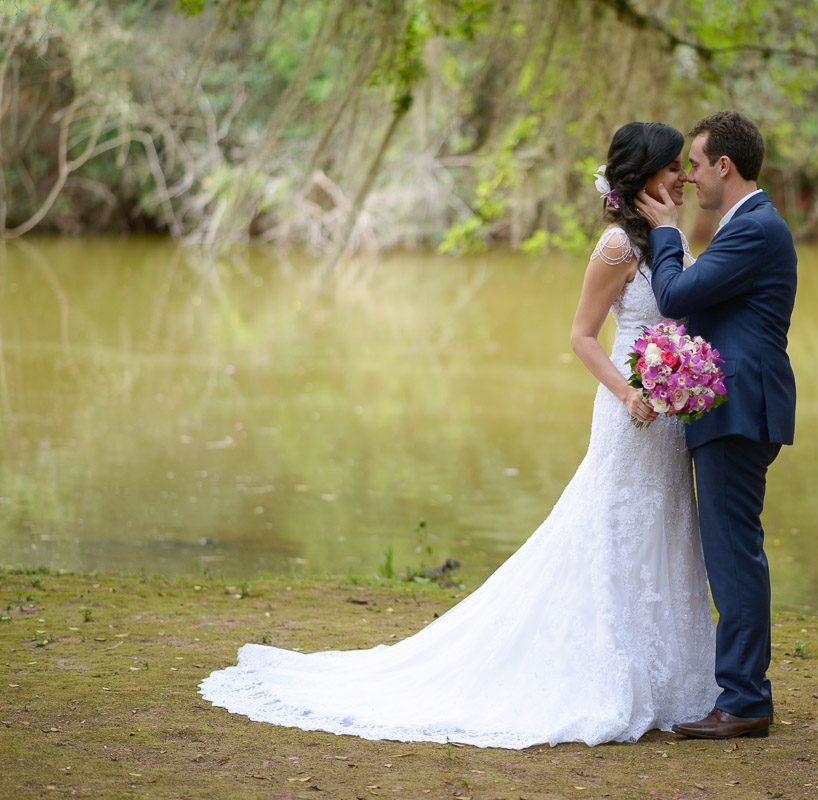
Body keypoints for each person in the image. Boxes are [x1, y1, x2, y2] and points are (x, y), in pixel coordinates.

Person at [198, 121, 720, 748]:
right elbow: (582, 335)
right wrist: (629, 390)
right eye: (673, 169)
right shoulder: (616, 247)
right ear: (644, 178)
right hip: (629, 407)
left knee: (666, 528)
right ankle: (612, 677)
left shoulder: (671, 239)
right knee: (616, 530)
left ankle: (669, 683)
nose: (682, 180)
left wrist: (687, 375)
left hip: (670, 418)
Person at [635, 110, 797, 740]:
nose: (691, 179)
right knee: (733, 551)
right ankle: (741, 692)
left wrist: (668, 233)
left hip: (738, 412)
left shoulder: (753, 229)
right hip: (733, 410)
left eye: (696, 166)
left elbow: (677, 296)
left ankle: (746, 701)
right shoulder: (745, 225)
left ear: (723, 166)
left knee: (734, 556)